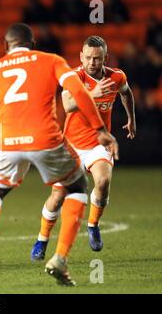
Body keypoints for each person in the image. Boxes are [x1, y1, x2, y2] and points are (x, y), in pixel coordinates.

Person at [0, 23, 119, 286]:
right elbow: (79, 93)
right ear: (33, 44)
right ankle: (59, 258)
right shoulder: (50, 60)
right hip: (44, 137)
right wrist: (100, 129)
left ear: (5, 47)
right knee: (79, 188)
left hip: (5, 143)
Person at [30, 36, 136, 260]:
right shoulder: (74, 77)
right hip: (72, 145)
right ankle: (42, 239)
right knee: (58, 196)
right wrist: (92, 94)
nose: (92, 63)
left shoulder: (116, 77)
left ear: (105, 58)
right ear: (81, 57)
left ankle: (93, 225)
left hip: (98, 143)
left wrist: (131, 118)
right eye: (88, 58)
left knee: (103, 181)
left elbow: (126, 93)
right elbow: (68, 105)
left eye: (97, 59)